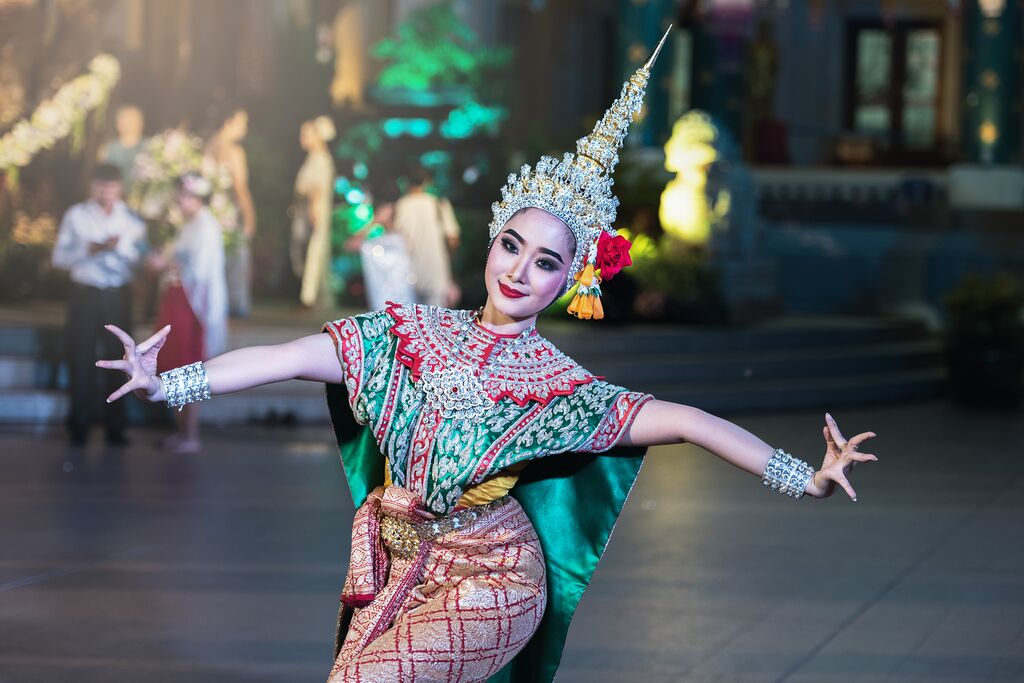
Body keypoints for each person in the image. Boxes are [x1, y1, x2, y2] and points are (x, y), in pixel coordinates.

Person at [97, 30, 877, 683]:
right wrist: (169, 383)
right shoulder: (407, 334)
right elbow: (290, 356)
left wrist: (803, 477)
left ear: (570, 281)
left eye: (546, 262)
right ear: (492, 240)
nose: (519, 270)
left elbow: (689, 421)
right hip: (399, 560)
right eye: (512, 244)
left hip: (496, 578)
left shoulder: (560, 389)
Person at [51, 163, 145, 447]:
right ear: (92, 186)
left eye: (111, 187)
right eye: (101, 187)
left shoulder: (131, 219)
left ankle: (116, 427)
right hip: (85, 293)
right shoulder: (76, 215)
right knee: (81, 356)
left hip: (117, 294)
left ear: (120, 188)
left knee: (121, 358)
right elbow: (58, 259)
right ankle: (79, 426)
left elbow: (141, 259)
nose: (106, 193)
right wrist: (86, 250)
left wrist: (119, 248)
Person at [148, 173, 227, 453]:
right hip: (178, 299)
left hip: (190, 304)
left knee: (188, 363)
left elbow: (201, 270)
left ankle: (190, 433)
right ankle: (181, 431)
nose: (180, 201)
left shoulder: (206, 226)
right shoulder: (191, 224)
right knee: (175, 363)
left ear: (197, 198)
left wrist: (167, 264)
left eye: (184, 195)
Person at [205, 107, 256, 318]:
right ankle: (235, 309)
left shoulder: (209, 146)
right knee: (236, 261)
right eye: (242, 123)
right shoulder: (235, 151)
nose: (245, 128)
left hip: (209, 214)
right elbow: (240, 187)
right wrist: (250, 216)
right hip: (228, 214)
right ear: (228, 122)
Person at [392, 166, 461, 307]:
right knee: (435, 317)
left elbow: (396, 237)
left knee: (409, 316)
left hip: (408, 272)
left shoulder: (402, 205)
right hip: (436, 272)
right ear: (427, 182)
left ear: (406, 182)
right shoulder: (438, 203)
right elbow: (453, 239)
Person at [292, 115, 337, 310]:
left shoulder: (320, 158)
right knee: (310, 250)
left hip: (315, 208)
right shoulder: (314, 157)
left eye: (306, 135)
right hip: (308, 207)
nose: (302, 138)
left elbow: (318, 188)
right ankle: (311, 296)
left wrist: (313, 209)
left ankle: (308, 297)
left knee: (314, 251)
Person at [98, 104, 146, 192]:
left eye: (132, 120)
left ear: (141, 123)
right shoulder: (108, 149)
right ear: (118, 124)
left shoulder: (150, 147)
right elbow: (101, 179)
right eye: (124, 120)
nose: (128, 124)